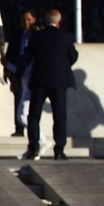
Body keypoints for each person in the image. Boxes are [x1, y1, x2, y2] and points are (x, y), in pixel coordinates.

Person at [22, 8, 76, 160]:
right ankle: (59, 150)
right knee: (59, 117)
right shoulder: (65, 37)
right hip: (59, 82)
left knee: (34, 116)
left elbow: (27, 56)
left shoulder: (37, 36)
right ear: (59, 21)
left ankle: (33, 147)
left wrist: (16, 71)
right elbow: (73, 56)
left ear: (45, 21)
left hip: (39, 81)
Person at [2, 9, 36, 138]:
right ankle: (19, 129)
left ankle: (35, 132)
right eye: (23, 20)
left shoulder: (38, 36)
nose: (26, 22)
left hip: (33, 74)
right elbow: (10, 55)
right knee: (19, 102)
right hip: (19, 74)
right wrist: (8, 72)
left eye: (28, 19)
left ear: (34, 20)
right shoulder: (17, 36)